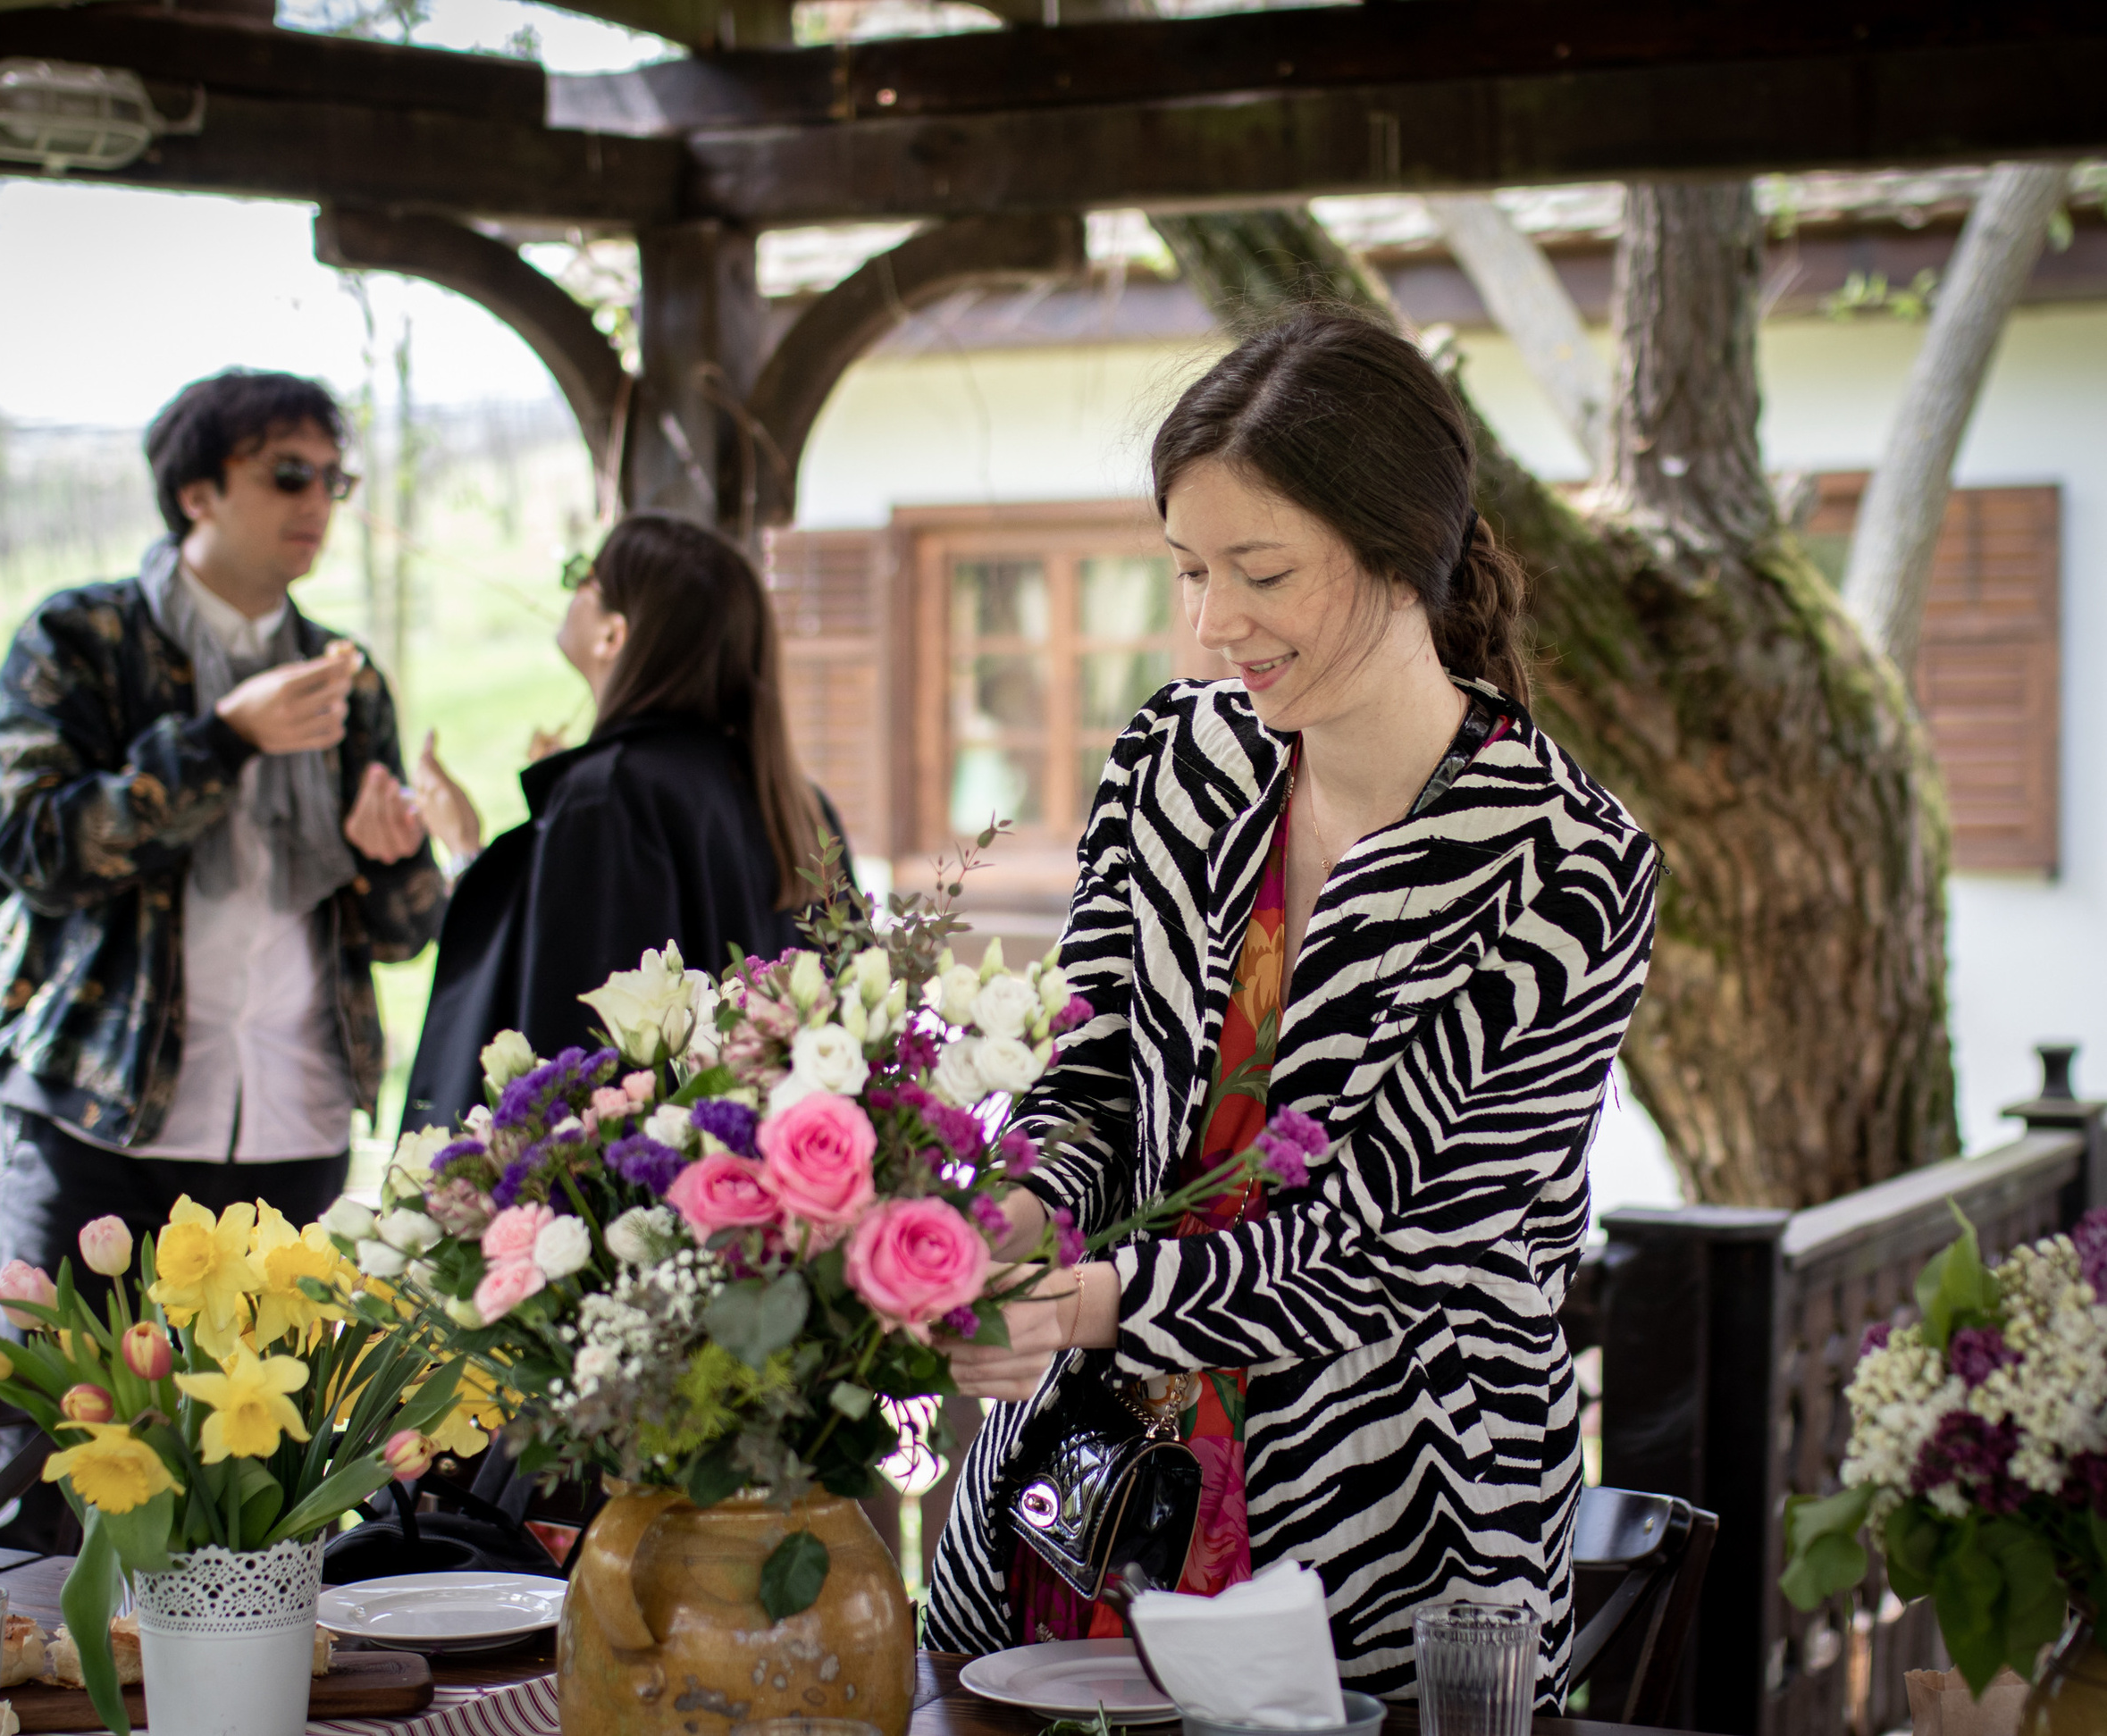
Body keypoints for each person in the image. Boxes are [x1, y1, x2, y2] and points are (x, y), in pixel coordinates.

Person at [923, 307, 1662, 1711]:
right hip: (1091, 1491)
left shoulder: (1565, 865)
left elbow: (1395, 1248)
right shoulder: (1170, 759)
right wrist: (1015, 1217)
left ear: (1400, 551)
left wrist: (1092, 1299)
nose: (1211, 625)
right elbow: (1090, 1085)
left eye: (1260, 571)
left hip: (1394, 1531)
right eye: (1190, 569)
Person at [0, 369, 447, 1337]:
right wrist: (223, 740)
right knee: (58, 1456)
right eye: (287, 473)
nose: (316, 501)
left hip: (295, 1121)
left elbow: (402, 932)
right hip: (100, 1122)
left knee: (272, 1473)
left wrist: (394, 858)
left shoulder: (345, 677)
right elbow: (36, 848)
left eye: (332, 481)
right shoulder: (80, 638)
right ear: (197, 492)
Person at [401, 511, 844, 1131]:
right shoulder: (799, 802)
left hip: (634, 1200)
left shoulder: (612, 796)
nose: (572, 589)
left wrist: (469, 850)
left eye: (585, 577)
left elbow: (571, 1048)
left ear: (614, 633)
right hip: (759, 1182)